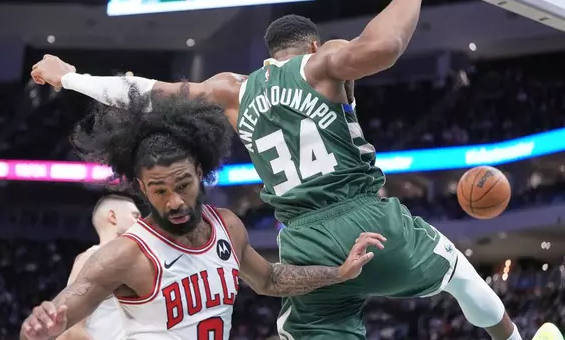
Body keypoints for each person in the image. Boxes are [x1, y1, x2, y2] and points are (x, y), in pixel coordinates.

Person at [30, 0, 562, 340]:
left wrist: (72, 77)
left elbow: (149, 95)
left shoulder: (231, 90)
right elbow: (386, 45)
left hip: (302, 241)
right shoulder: (321, 63)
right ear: (310, 44)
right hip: (368, 220)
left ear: (267, 55)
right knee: (462, 278)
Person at [20, 90, 386, 340]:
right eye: (160, 190)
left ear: (200, 171)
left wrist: (338, 273)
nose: (175, 201)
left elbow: (271, 280)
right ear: (142, 189)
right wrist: (40, 326)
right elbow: (68, 308)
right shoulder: (125, 255)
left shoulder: (227, 225)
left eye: (182, 185)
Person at [57, 194, 141, 340]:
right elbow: (71, 331)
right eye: (135, 216)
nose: (141, 223)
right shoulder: (91, 258)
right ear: (112, 216)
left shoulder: (135, 264)